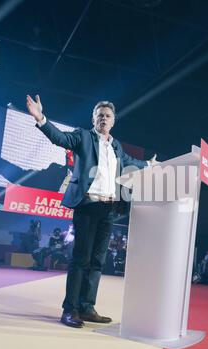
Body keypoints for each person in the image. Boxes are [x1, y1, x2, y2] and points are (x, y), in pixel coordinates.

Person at [26, 94, 157, 328]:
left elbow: (129, 161)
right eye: (100, 116)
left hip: (109, 209)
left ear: (114, 121)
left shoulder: (116, 146)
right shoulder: (83, 136)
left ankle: (87, 307)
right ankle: (70, 310)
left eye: (107, 116)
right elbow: (60, 138)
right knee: (81, 260)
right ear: (93, 119)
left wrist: (148, 164)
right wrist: (41, 118)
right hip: (87, 206)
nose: (103, 119)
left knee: (98, 262)